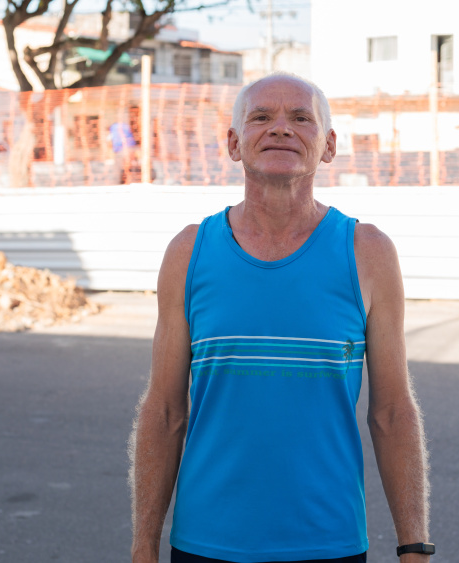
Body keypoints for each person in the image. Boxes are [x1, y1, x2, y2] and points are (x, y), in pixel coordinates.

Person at [130, 72, 431, 563]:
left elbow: (393, 412)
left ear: (328, 145)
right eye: (261, 117)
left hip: (329, 543)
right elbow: (164, 412)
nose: (280, 129)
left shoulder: (368, 252)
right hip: (205, 543)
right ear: (233, 142)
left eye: (300, 118)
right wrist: (143, 545)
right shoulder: (189, 251)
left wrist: (414, 545)